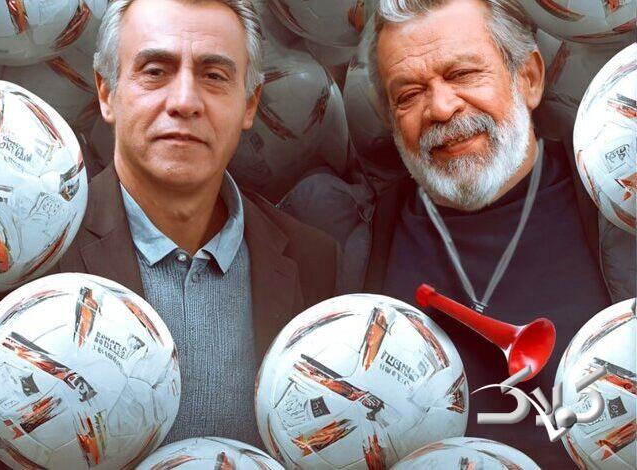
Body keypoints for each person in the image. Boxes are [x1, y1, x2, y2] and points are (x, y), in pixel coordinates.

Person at [357, 0, 634, 467]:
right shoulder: (348, 240)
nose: (441, 108)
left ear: (529, 77)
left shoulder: (618, 212)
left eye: (464, 74)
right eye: (409, 94)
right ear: (388, 117)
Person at [55, 0, 339, 447]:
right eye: (155, 71)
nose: (185, 101)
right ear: (107, 92)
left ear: (250, 104)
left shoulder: (314, 260)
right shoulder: (42, 256)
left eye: (214, 76)